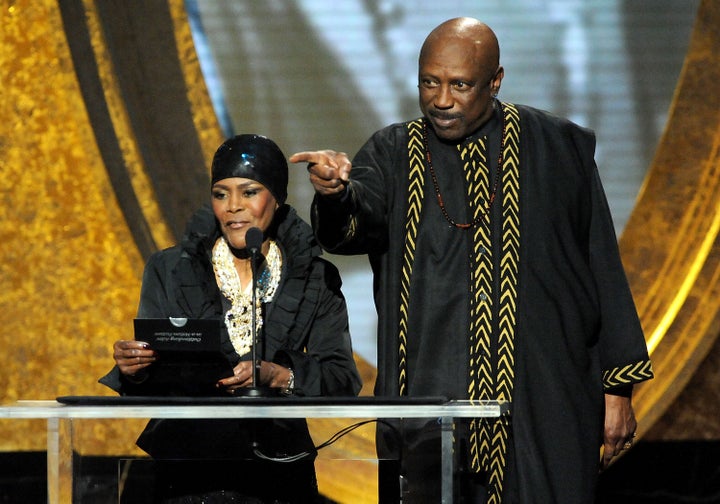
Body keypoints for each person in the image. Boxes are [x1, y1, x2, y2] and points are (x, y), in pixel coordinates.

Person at [289, 17, 653, 504]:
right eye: (429, 83)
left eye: (460, 85)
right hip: (431, 399)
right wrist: (336, 195)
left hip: (544, 397)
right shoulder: (393, 152)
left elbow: (600, 264)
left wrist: (618, 388)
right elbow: (352, 229)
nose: (442, 99)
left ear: (496, 80)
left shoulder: (557, 149)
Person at [100, 134, 362, 503]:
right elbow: (157, 376)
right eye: (221, 194)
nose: (233, 207)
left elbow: (342, 378)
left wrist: (280, 375)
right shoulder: (171, 269)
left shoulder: (315, 278)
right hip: (187, 473)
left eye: (249, 192)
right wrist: (136, 368)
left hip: (279, 472)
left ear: (278, 197)